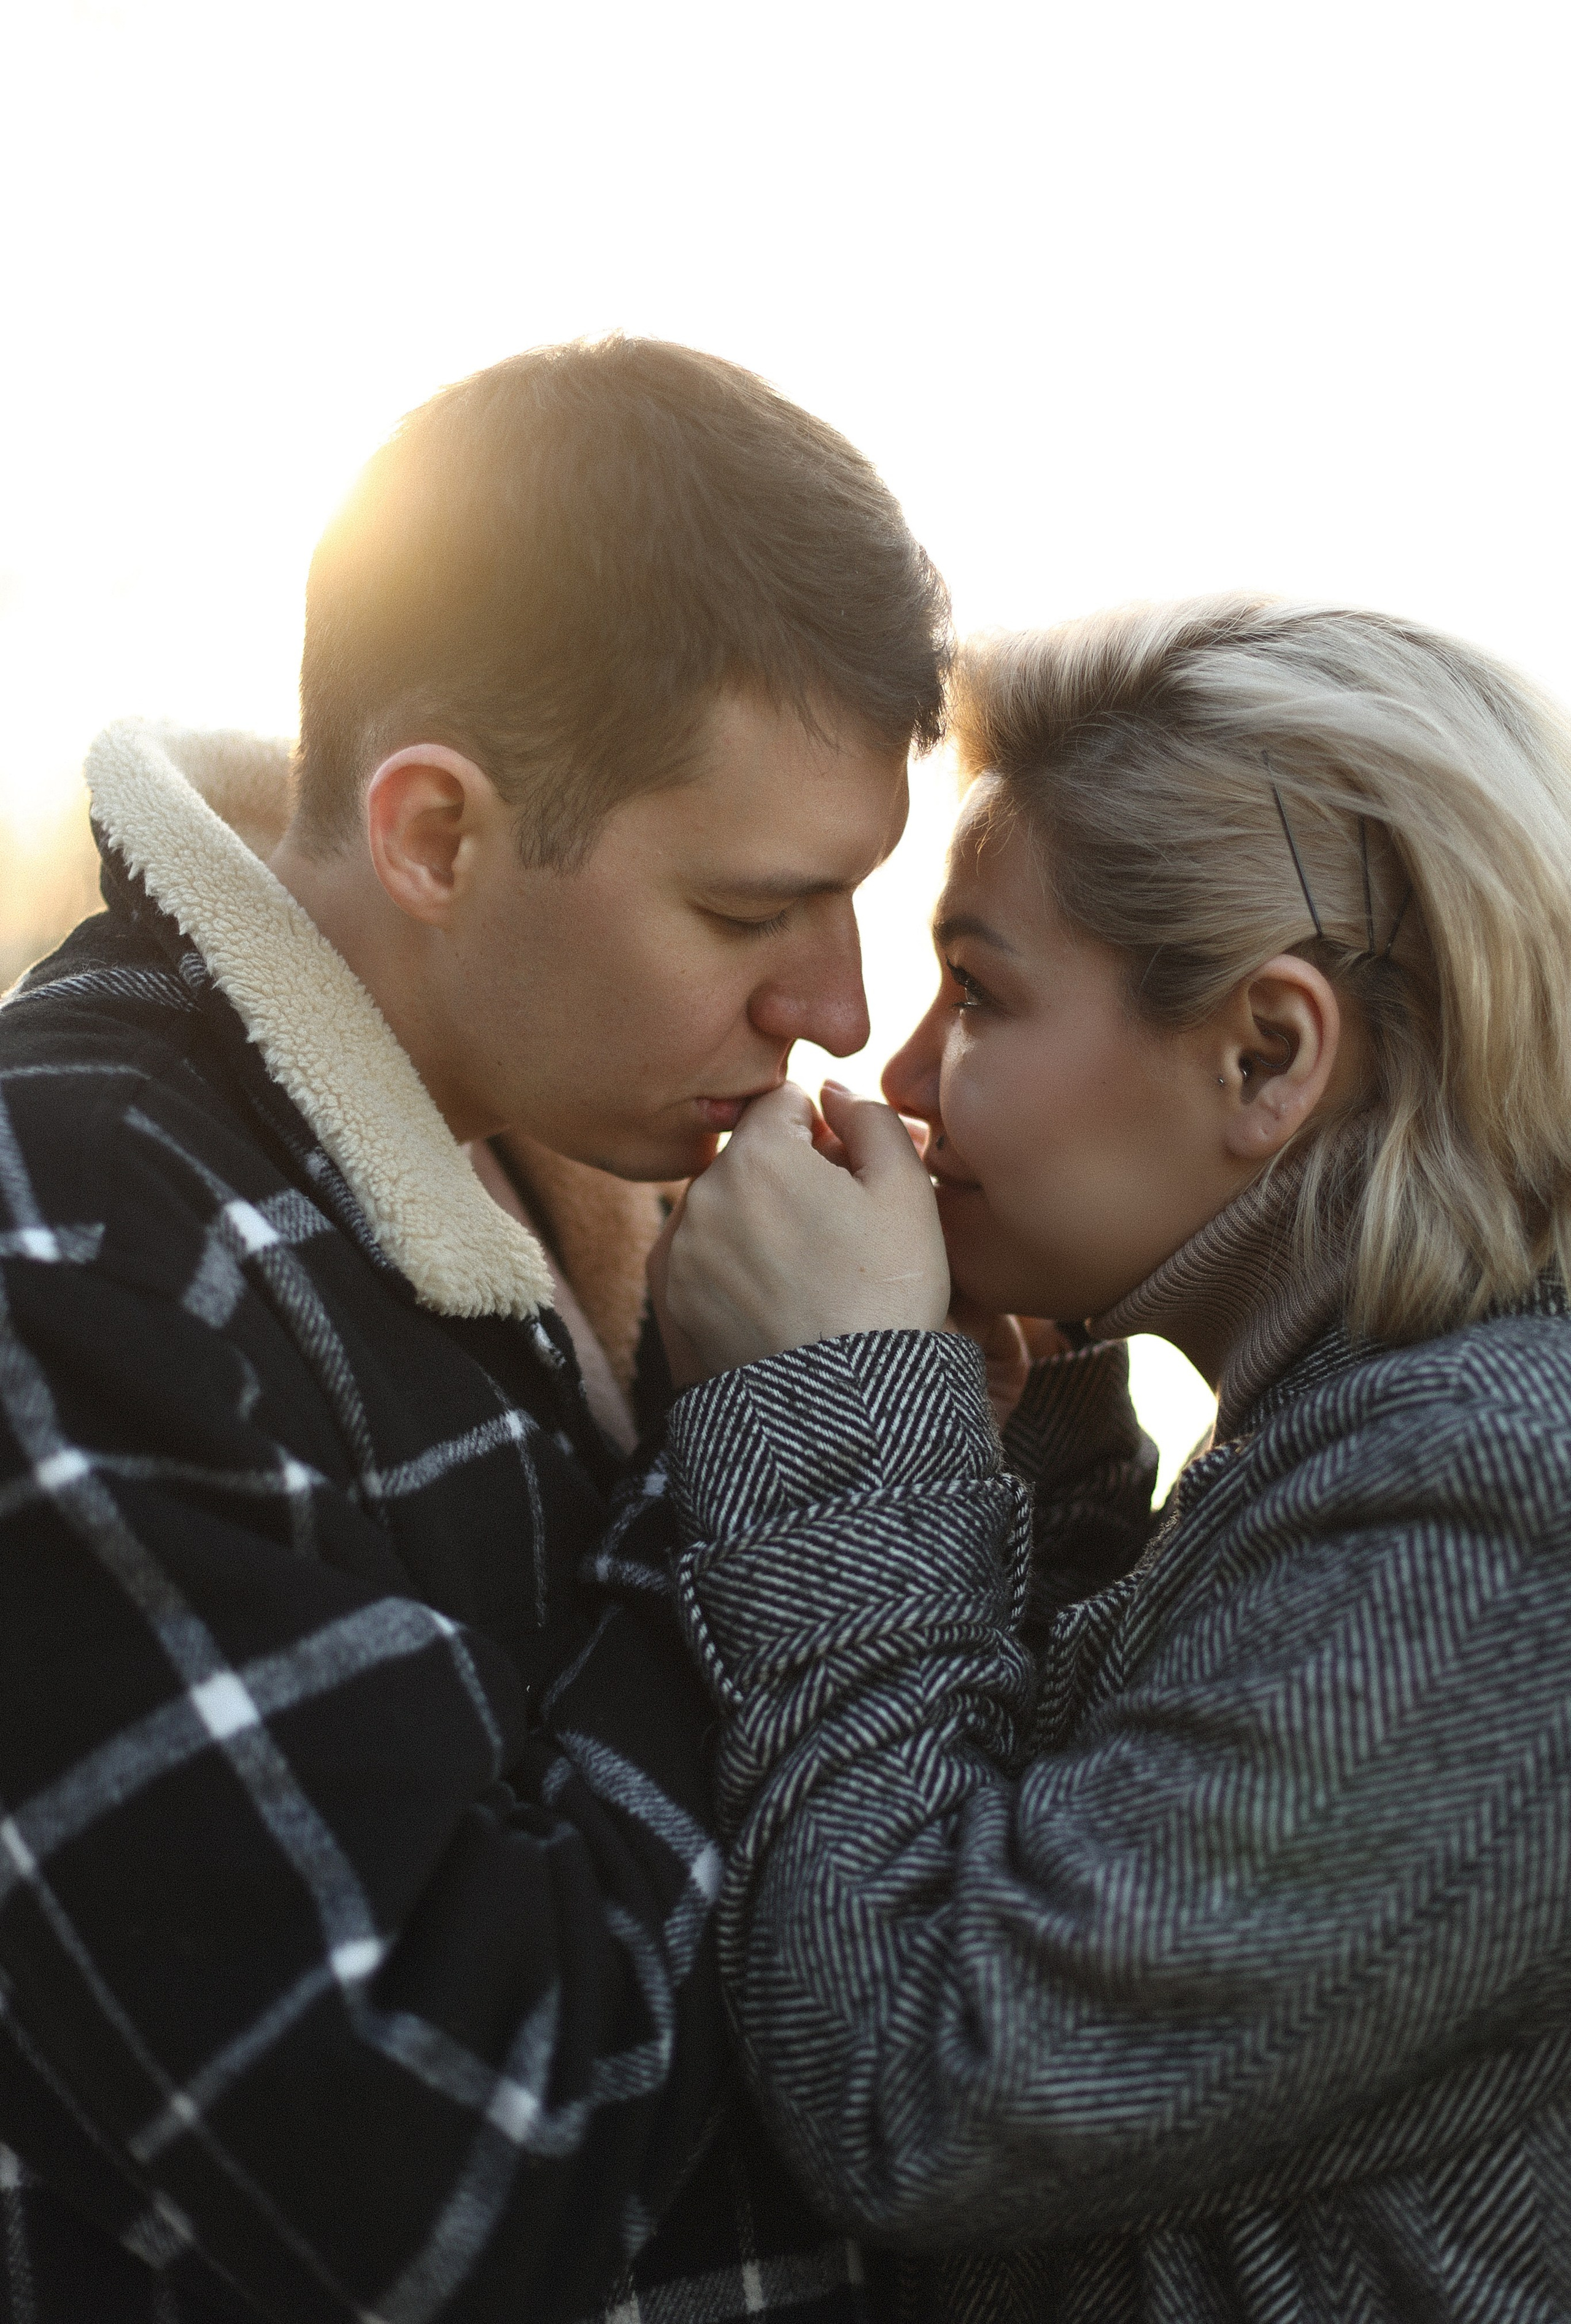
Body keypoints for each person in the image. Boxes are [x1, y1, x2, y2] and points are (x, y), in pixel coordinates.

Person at [0, 336, 948, 2323]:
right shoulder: (70, 1241)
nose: (840, 1010)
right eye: (751, 908)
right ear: (436, 834)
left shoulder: (617, 1146)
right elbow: (452, 2170)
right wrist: (793, 1442)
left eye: (859, 896)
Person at [652, 595, 1571, 2322]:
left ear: (1267, 1055)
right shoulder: (1384, 1430)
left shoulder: (1506, 1510)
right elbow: (1108, 1874)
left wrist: (840, 1408)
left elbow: (922, 2082)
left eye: (983, 994)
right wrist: (1025, 1442)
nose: (899, 1066)